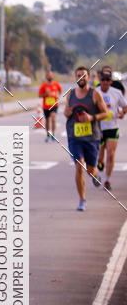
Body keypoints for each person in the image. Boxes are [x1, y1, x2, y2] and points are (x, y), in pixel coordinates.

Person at [64, 66, 108, 211]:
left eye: (83, 76)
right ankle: (82, 200)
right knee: (79, 166)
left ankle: (96, 175)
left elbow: (105, 113)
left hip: (92, 138)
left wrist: (91, 117)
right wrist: (68, 112)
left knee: (90, 170)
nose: (81, 78)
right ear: (75, 78)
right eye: (78, 76)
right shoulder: (70, 94)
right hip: (75, 137)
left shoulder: (94, 94)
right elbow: (65, 112)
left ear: (88, 78)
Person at [96, 66, 126, 190]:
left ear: (110, 81)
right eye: (102, 79)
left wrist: (122, 113)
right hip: (99, 128)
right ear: (100, 80)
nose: (104, 82)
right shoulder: (95, 92)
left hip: (112, 127)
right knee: (101, 155)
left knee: (111, 154)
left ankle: (107, 180)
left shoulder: (116, 92)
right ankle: (100, 162)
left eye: (107, 80)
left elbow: (125, 106)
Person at [38, 70, 62, 141]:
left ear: (53, 76)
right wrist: (46, 94)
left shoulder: (56, 84)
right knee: (47, 120)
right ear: (46, 77)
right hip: (46, 106)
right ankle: (48, 134)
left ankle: (53, 134)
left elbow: (60, 91)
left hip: (54, 105)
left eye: (51, 75)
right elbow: (39, 95)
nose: (50, 76)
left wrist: (57, 95)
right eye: (48, 75)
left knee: (53, 118)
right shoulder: (44, 85)